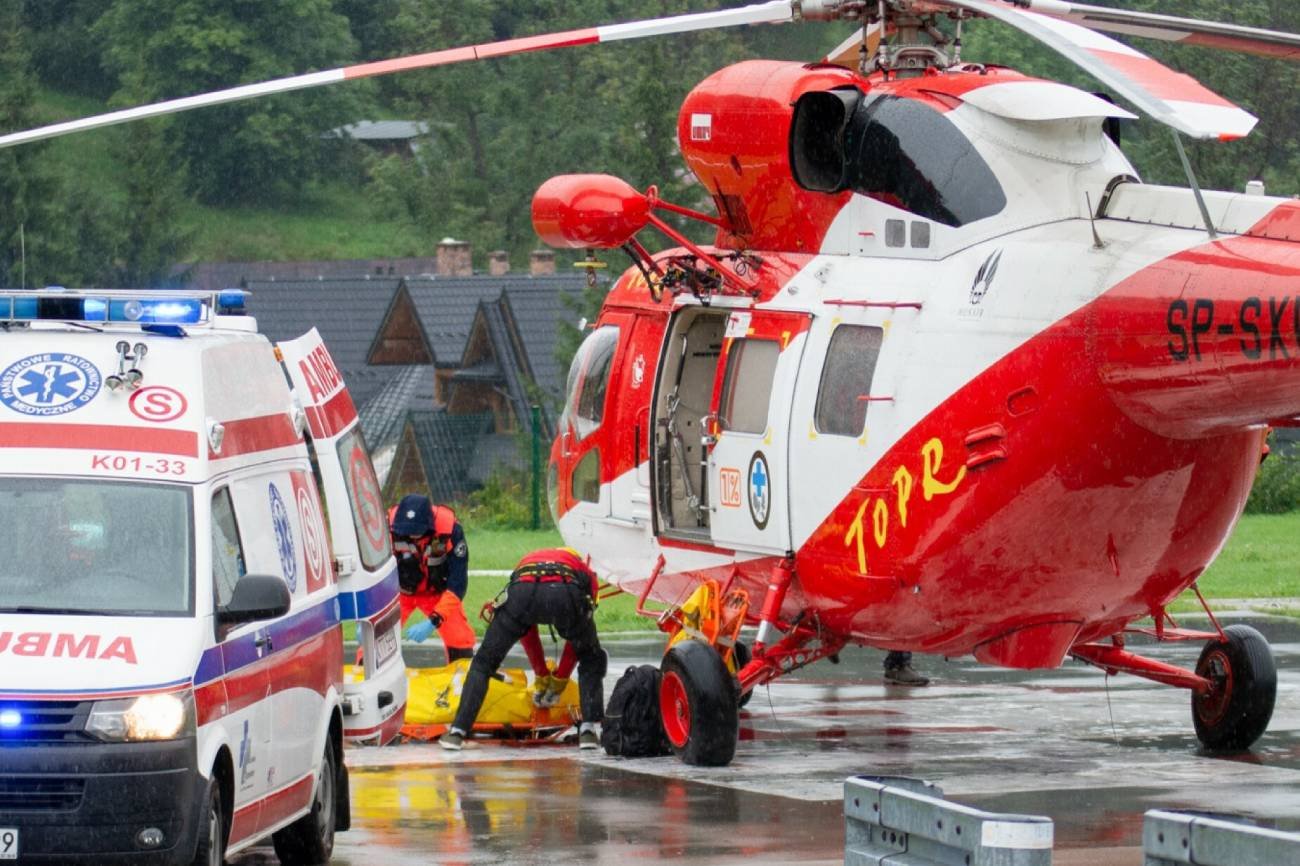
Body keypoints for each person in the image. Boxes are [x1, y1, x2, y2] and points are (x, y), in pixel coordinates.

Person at [440, 547, 606, 751]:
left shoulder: (529, 560)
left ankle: (457, 731)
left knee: (483, 663)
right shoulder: (583, 569)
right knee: (591, 658)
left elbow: (526, 629)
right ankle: (588, 731)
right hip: (566, 595)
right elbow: (579, 638)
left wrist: (541, 674)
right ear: (574, 558)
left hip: (523, 593)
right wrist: (559, 680)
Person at [389, 494, 475, 664]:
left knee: (460, 640)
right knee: (374, 641)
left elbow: (458, 584)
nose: (412, 535)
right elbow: (376, 574)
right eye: (406, 532)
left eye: (416, 531)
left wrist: (434, 620)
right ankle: (366, 679)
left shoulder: (451, 531)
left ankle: (462, 683)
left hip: (438, 594)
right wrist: (371, 617)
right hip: (399, 594)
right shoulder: (385, 529)